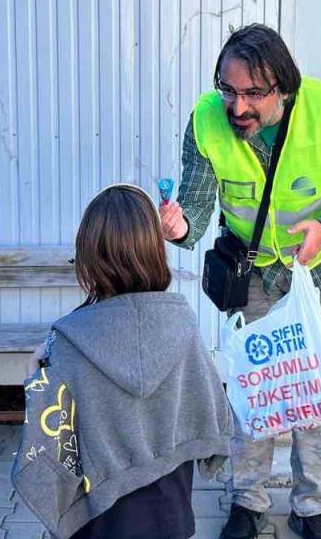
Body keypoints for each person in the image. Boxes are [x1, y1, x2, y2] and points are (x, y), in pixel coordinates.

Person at [159, 24, 321, 539]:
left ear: (283, 88)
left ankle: (311, 507)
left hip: (320, 273)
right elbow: (196, 202)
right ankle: (247, 501)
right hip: (254, 273)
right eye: (228, 89)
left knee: (314, 390)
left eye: (252, 94)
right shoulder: (205, 121)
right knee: (253, 390)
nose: (237, 107)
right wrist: (182, 226)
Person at [12, 184, 235, 539]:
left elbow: (46, 447)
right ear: (153, 250)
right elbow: (211, 411)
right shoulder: (184, 325)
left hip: (98, 521)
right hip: (171, 518)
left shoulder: (66, 340)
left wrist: (32, 372)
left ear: (88, 254)